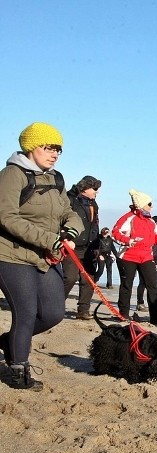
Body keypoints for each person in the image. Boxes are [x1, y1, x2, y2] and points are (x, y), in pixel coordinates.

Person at [0, 122, 84, 390]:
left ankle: (8, 341)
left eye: (58, 149)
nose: (55, 153)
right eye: (48, 147)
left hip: (46, 256)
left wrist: (71, 229)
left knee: (53, 314)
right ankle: (18, 369)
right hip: (11, 256)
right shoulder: (12, 175)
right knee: (26, 313)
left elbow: (68, 211)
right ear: (31, 147)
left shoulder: (56, 178)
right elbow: (6, 217)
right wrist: (50, 239)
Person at [112, 190, 157, 325]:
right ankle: (123, 315)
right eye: (149, 203)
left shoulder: (150, 221)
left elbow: (153, 239)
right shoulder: (128, 218)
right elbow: (115, 233)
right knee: (126, 286)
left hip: (146, 257)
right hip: (128, 256)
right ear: (141, 204)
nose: (152, 206)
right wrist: (128, 241)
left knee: (153, 286)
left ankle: (155, 317)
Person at [62, 175, 102, 320]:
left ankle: (83, 310)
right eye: (95, 189)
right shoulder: (69, 199)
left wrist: (98, 245)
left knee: (88, 280)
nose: (96, 192)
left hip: (90, 247)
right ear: (85, 188)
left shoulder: (94, 204)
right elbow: (61, 219)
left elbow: (95, 225)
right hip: (72, 246)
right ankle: (56, 305)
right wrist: (65, 236)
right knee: (70, 278)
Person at [136, 215, 157, 313]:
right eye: (156, 224)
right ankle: (140, 303)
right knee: (143, 282)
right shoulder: (147, 231)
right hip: (146, 259)